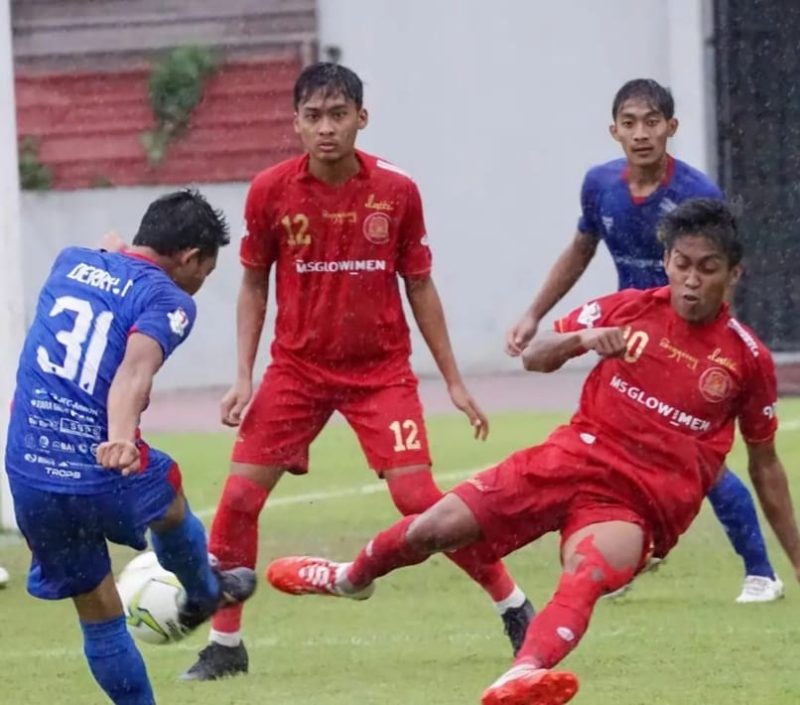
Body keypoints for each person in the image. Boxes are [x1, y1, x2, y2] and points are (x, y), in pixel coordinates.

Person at [266, 198, 800, 705]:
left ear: (733, 275)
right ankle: (347, 578)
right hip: (566, 461)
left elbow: (765, 464)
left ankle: (523, 673)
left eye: (708, 268)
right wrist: (584, 340)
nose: (691, 279)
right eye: (682, 263)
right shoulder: (630, 308)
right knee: (433, 528)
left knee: (586, 573)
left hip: (639, 502)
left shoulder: (746, 360)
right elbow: (535, 357)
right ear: (666, 261)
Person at [182, 62, 532, 681]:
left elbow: (419, 285)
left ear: (361, 119)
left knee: (419, 500)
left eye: (338, 115)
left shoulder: (396, 191)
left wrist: (451, 378)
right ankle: (225, 646)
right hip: (296, 371)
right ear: (294, 124)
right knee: (238, 498)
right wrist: (243, 376)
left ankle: (514, 605)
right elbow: (253, 285)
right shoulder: (269, 191)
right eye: (313, 117)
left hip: (380, 374)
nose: (326, 128)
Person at [506, 78, 781, 603]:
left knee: (702, 463)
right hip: (626, 341)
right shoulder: (600, 185)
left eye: (652, 122)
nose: (641, 134)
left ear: (670, 128)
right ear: (614, 130)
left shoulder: (697, 193)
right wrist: (535, 314)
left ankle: (761, 571)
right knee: (612, 453)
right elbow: (581, 248)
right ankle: (621, 553)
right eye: (629, 123)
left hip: (686, 343)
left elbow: (717, 275)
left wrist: (719, 353)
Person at [6, 190, 257, 705]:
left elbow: (113, 261)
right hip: (97, 461)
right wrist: (119, 438)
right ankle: (205, 592)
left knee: (97, 612)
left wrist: (116, 250)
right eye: (204, 271)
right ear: (188, 258)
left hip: (28, 468)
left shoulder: (72, 260)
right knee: (169, 492)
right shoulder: (169, 300)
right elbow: (134, 371)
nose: (199, 284)